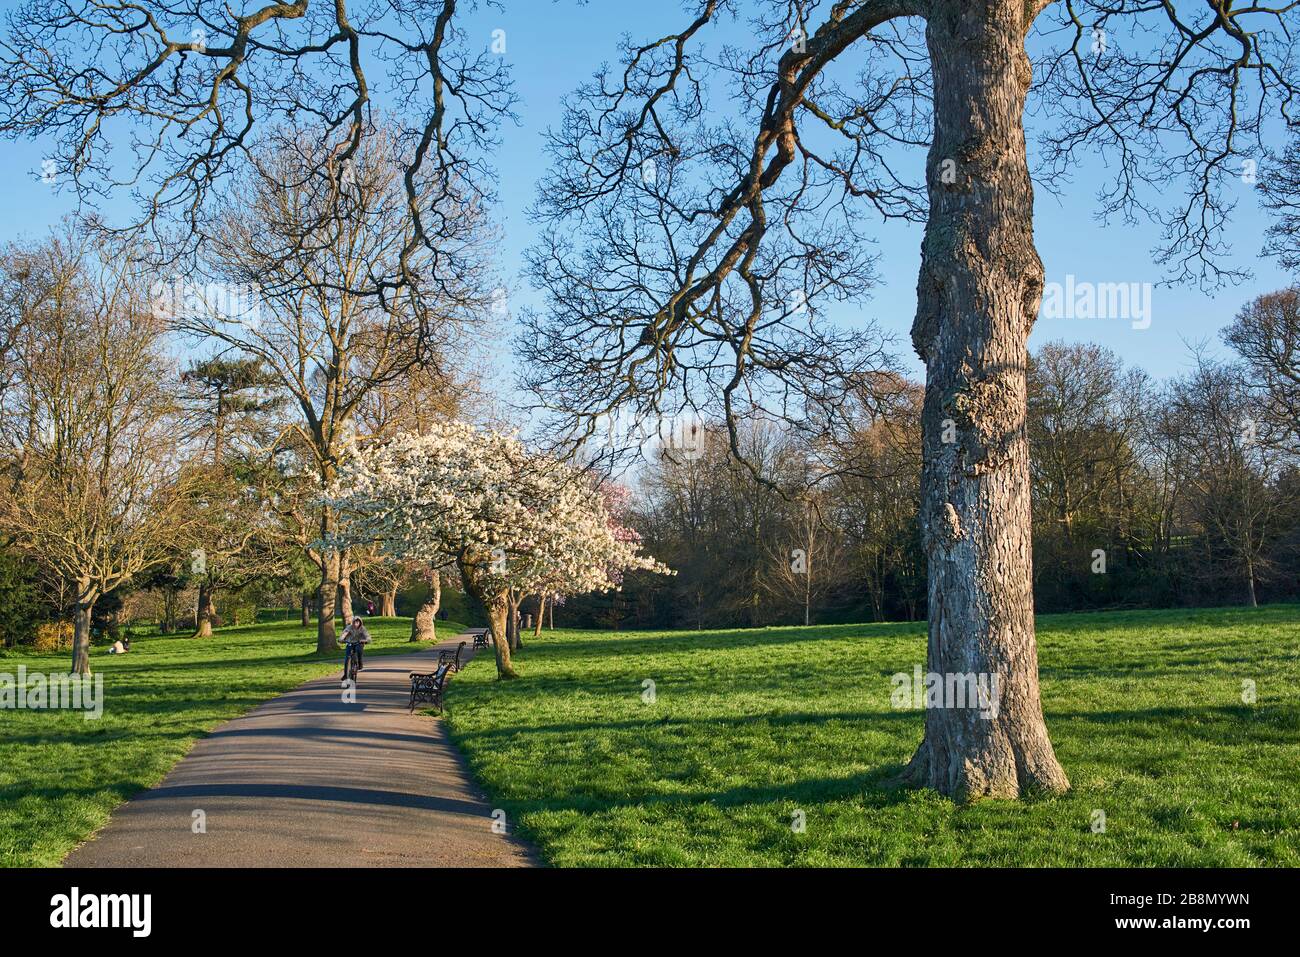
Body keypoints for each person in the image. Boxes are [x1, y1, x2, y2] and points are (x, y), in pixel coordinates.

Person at [340, 617, 371, 685]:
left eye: (357, 622)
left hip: (359, 643)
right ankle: (346, 674)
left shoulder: (362, 629)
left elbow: (368, 636)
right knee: (347, 658)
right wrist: (341, 639)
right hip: (350, 643)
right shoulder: (349, 627)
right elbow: (344, 633)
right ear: (352, 622)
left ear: (360, 623)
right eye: (354, 622)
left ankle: (360, 664)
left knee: (359, 650)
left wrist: (366, 640)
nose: (356, 624)